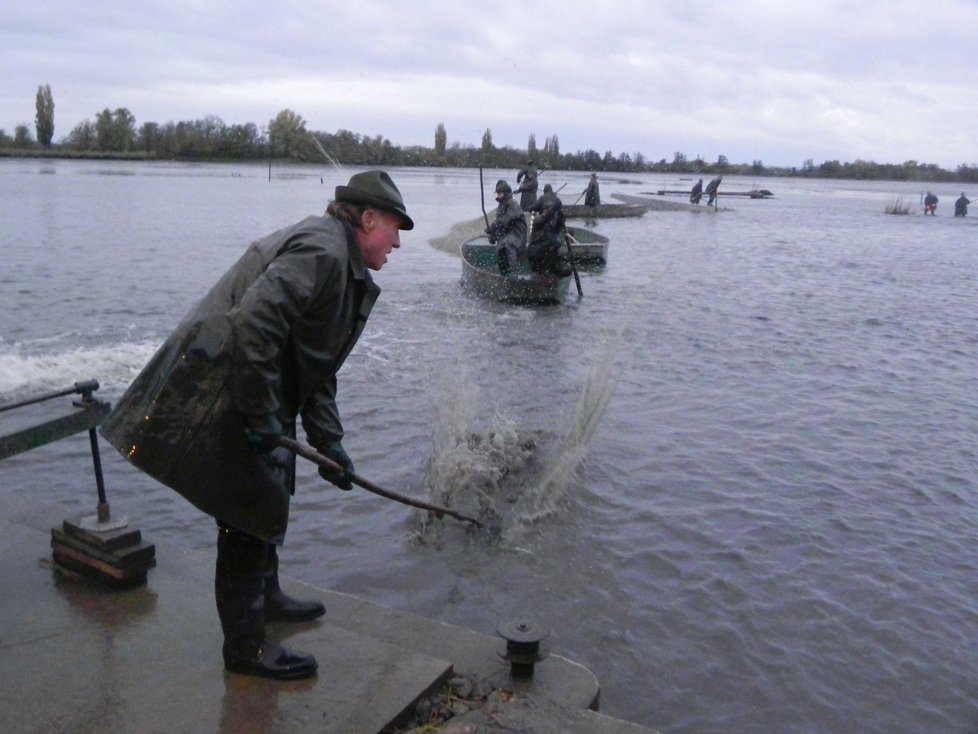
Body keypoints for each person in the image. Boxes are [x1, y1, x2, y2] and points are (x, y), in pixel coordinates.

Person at [99, 170, 413, 681]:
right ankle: (246, 647)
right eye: (395, 228)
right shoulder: (324, 253)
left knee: (269, 490)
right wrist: (263, 417)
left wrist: (330, 445)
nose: (398, 242)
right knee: (247, 510)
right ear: (368, 219)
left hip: (250, 381)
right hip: (224, 380)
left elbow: (316, 364)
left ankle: (265, 598)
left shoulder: (339, 259)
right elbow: (253, 324)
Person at [527, 184, 572, 276]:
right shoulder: (539, 221)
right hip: (537, 254)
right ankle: (543, 272)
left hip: (546, 254)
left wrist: (560, 216)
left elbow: (531, 208)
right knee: (552, 244)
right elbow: (545, 217)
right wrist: (554, 208)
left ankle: (551, 270)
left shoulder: (553, 225)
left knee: (556, 244)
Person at [486, 179, 527, 275]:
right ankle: (504, 273)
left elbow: (507, 219)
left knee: (508, 245)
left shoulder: (513, 204)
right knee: (500, 251)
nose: (498, 195)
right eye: (497, 193)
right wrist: (493, 234)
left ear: (506, 193)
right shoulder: (501, 205)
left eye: (500, 193)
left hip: (516, 234)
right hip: (506, 234)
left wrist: (494, 225)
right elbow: (500, 224)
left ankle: (513, 271)